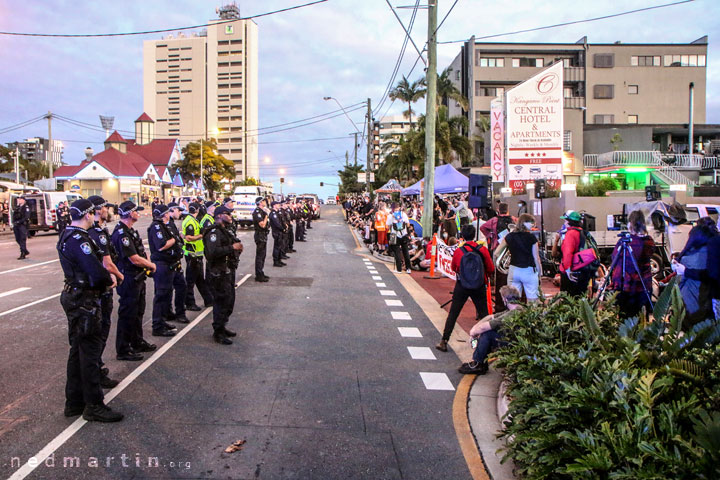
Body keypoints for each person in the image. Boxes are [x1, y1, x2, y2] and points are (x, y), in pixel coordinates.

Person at [58, 199, 123, 422]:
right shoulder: (79, 239)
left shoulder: (67, 234)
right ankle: (94, 405)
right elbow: (95, 271)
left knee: (77, 351)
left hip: (75, 296)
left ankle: (74, 402)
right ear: (87, 215)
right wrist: (109, 280)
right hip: (84, 300)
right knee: (89, 353)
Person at [436, 225, 495, 352]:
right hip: (479, 285)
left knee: (454, 313)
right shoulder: (482, 250)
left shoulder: (459, 251)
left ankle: (444, 341)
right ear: (474, 236)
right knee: (484, 315)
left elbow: (454, 268)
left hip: (462, 285)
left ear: (462, 236)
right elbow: (490, 268)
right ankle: (489, 344)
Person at [111, 201, 157, 361]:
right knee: (127, 314)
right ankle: (123, 348)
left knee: (138, 312)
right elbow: (134, 259)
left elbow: (141, 252)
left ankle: (136, 341)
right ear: (129, 213)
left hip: (138, 277)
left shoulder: (131, 232)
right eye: (136, 211)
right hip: (129, 278)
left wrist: (148, 263)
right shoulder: (122, 234)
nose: (138, 213)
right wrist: (151, 265)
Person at [86, 195, 123, 389]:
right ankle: (96, 372)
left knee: (100, 331)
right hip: (101, 288)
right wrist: (118, 275)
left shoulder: (97, 231)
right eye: (105, 208)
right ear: (98, 210)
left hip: (100, 286)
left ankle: (97, 369)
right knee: (99, 331)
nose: (108, 210)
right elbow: (106, 262)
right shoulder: (95, 233)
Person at [458, 286, 522, 375]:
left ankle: (478, 363)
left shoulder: (512, 314)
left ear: (505, 299)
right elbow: (490, 317)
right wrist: (475, 328)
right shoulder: (515, 309)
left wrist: (473, 333)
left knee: (487, 333)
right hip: (514, 339)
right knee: (485, 331)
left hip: (513, 342)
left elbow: (485, 327)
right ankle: (480, 362)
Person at [204, 205, 243, 345]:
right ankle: (218, 331)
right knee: (221, 302)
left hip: (227, 270)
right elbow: (211, 253)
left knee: (229, 301)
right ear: (219, 215)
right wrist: (232, 248)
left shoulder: (224, 231)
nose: (230, 216)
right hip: (218, 273)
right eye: (227, 214)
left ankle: (223, 326)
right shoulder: (214, 232)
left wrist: (236, 249)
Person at [608, 210, 655, 318]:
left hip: (627, 286)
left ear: (631, 224)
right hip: (643, 285)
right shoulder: (649, 241)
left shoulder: (626, 242)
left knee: (626, 317)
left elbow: (615, 258)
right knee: (641, 317)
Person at [674, 217, 718, 325]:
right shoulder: (713, 254)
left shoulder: (687, 259)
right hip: (708, 306)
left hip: (690, 307)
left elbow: (678, 284)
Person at [148, 205, 182, 337]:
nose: (169, 214)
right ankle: (157, 325)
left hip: (169, 264)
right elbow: (161, 246)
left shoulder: (164, 225)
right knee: (161, 296)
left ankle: (162, 321)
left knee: (166, 294)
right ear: (164, 214)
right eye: (168, 212)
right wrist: (174, 239)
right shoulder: (156, 226)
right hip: (162, 264)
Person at [494, 213, 542, 302]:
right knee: (533, 302)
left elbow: (496, 253)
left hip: (513, 270)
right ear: (525, 223)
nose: (533, 225)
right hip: (529, 271)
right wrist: (539, 273)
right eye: (532, 223)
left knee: (512, 300)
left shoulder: (509, 236)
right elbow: (536, 258)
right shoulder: (531, 238)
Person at [480, 202, 515, 312]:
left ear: (498, 210)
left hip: (498, 248)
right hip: (511, 250)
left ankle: (500, 304)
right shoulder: (514, 219)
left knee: (499, 276)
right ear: (508, 210)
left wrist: (490, 235)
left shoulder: (494, 220)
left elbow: (482, 227)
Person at [182, 202, 213, 309]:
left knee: (200, 279)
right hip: (192, 254)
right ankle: (189, 303)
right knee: (190, 281)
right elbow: (188, 237)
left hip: (196, 254)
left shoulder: (192, 220)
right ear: (197, 210)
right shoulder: (190, 221)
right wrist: (201, 235)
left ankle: (208, 300)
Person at [165, 202, 189, 324]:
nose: (179, 213)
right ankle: (171, 313)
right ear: (172, 210)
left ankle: (177, 312)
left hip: (175, 261)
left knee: (180, 287)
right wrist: (176, 238)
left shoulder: (171, 223)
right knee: (168, 290)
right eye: (178, 210)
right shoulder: (165, 225)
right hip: (168, 262)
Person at [559, 210, 589, 297]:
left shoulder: (571, 234)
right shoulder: (582, 232)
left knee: (569, 299)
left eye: (565, 220)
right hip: (582, 269)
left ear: (569, 222)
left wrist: (568, 269)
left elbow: (568, 253)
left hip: (572, 271)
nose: (564, 223)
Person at [252, 196, 270, 282]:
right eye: (263, 201)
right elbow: (262, 224)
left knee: (263, 255)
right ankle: (258, 275)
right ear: (260, 202)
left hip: (264, 234)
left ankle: (261, 272)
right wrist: (266, 216)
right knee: (260, 256)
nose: (265, 202)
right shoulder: (258, 212)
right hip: (260, 235)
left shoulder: (262, 211)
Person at [269, 201, 286, 267]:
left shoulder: (277, 213)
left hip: (279, 232)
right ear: (274, 205)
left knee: (279, 246)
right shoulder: (273, 213)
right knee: (277, 247)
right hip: (276, 232)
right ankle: (276, 261)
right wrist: (283, 228)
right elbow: (277, 224)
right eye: (277, 204)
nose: (279, 205)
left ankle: (279, 260)